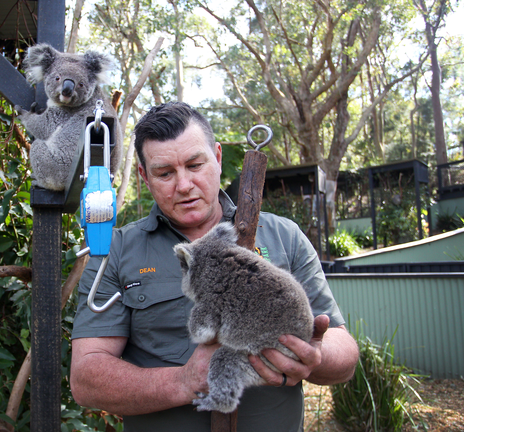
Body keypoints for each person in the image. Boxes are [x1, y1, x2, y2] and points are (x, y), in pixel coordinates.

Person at [69, 102, 358, 431]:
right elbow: (86, 379)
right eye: (165, 172)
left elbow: (343, 351)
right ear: (143, 176)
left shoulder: (283, 236)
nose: (184, 185)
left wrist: (315, 357)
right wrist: (183, 381)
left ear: (217, 158)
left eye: (195, 165)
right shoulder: (117, 250)